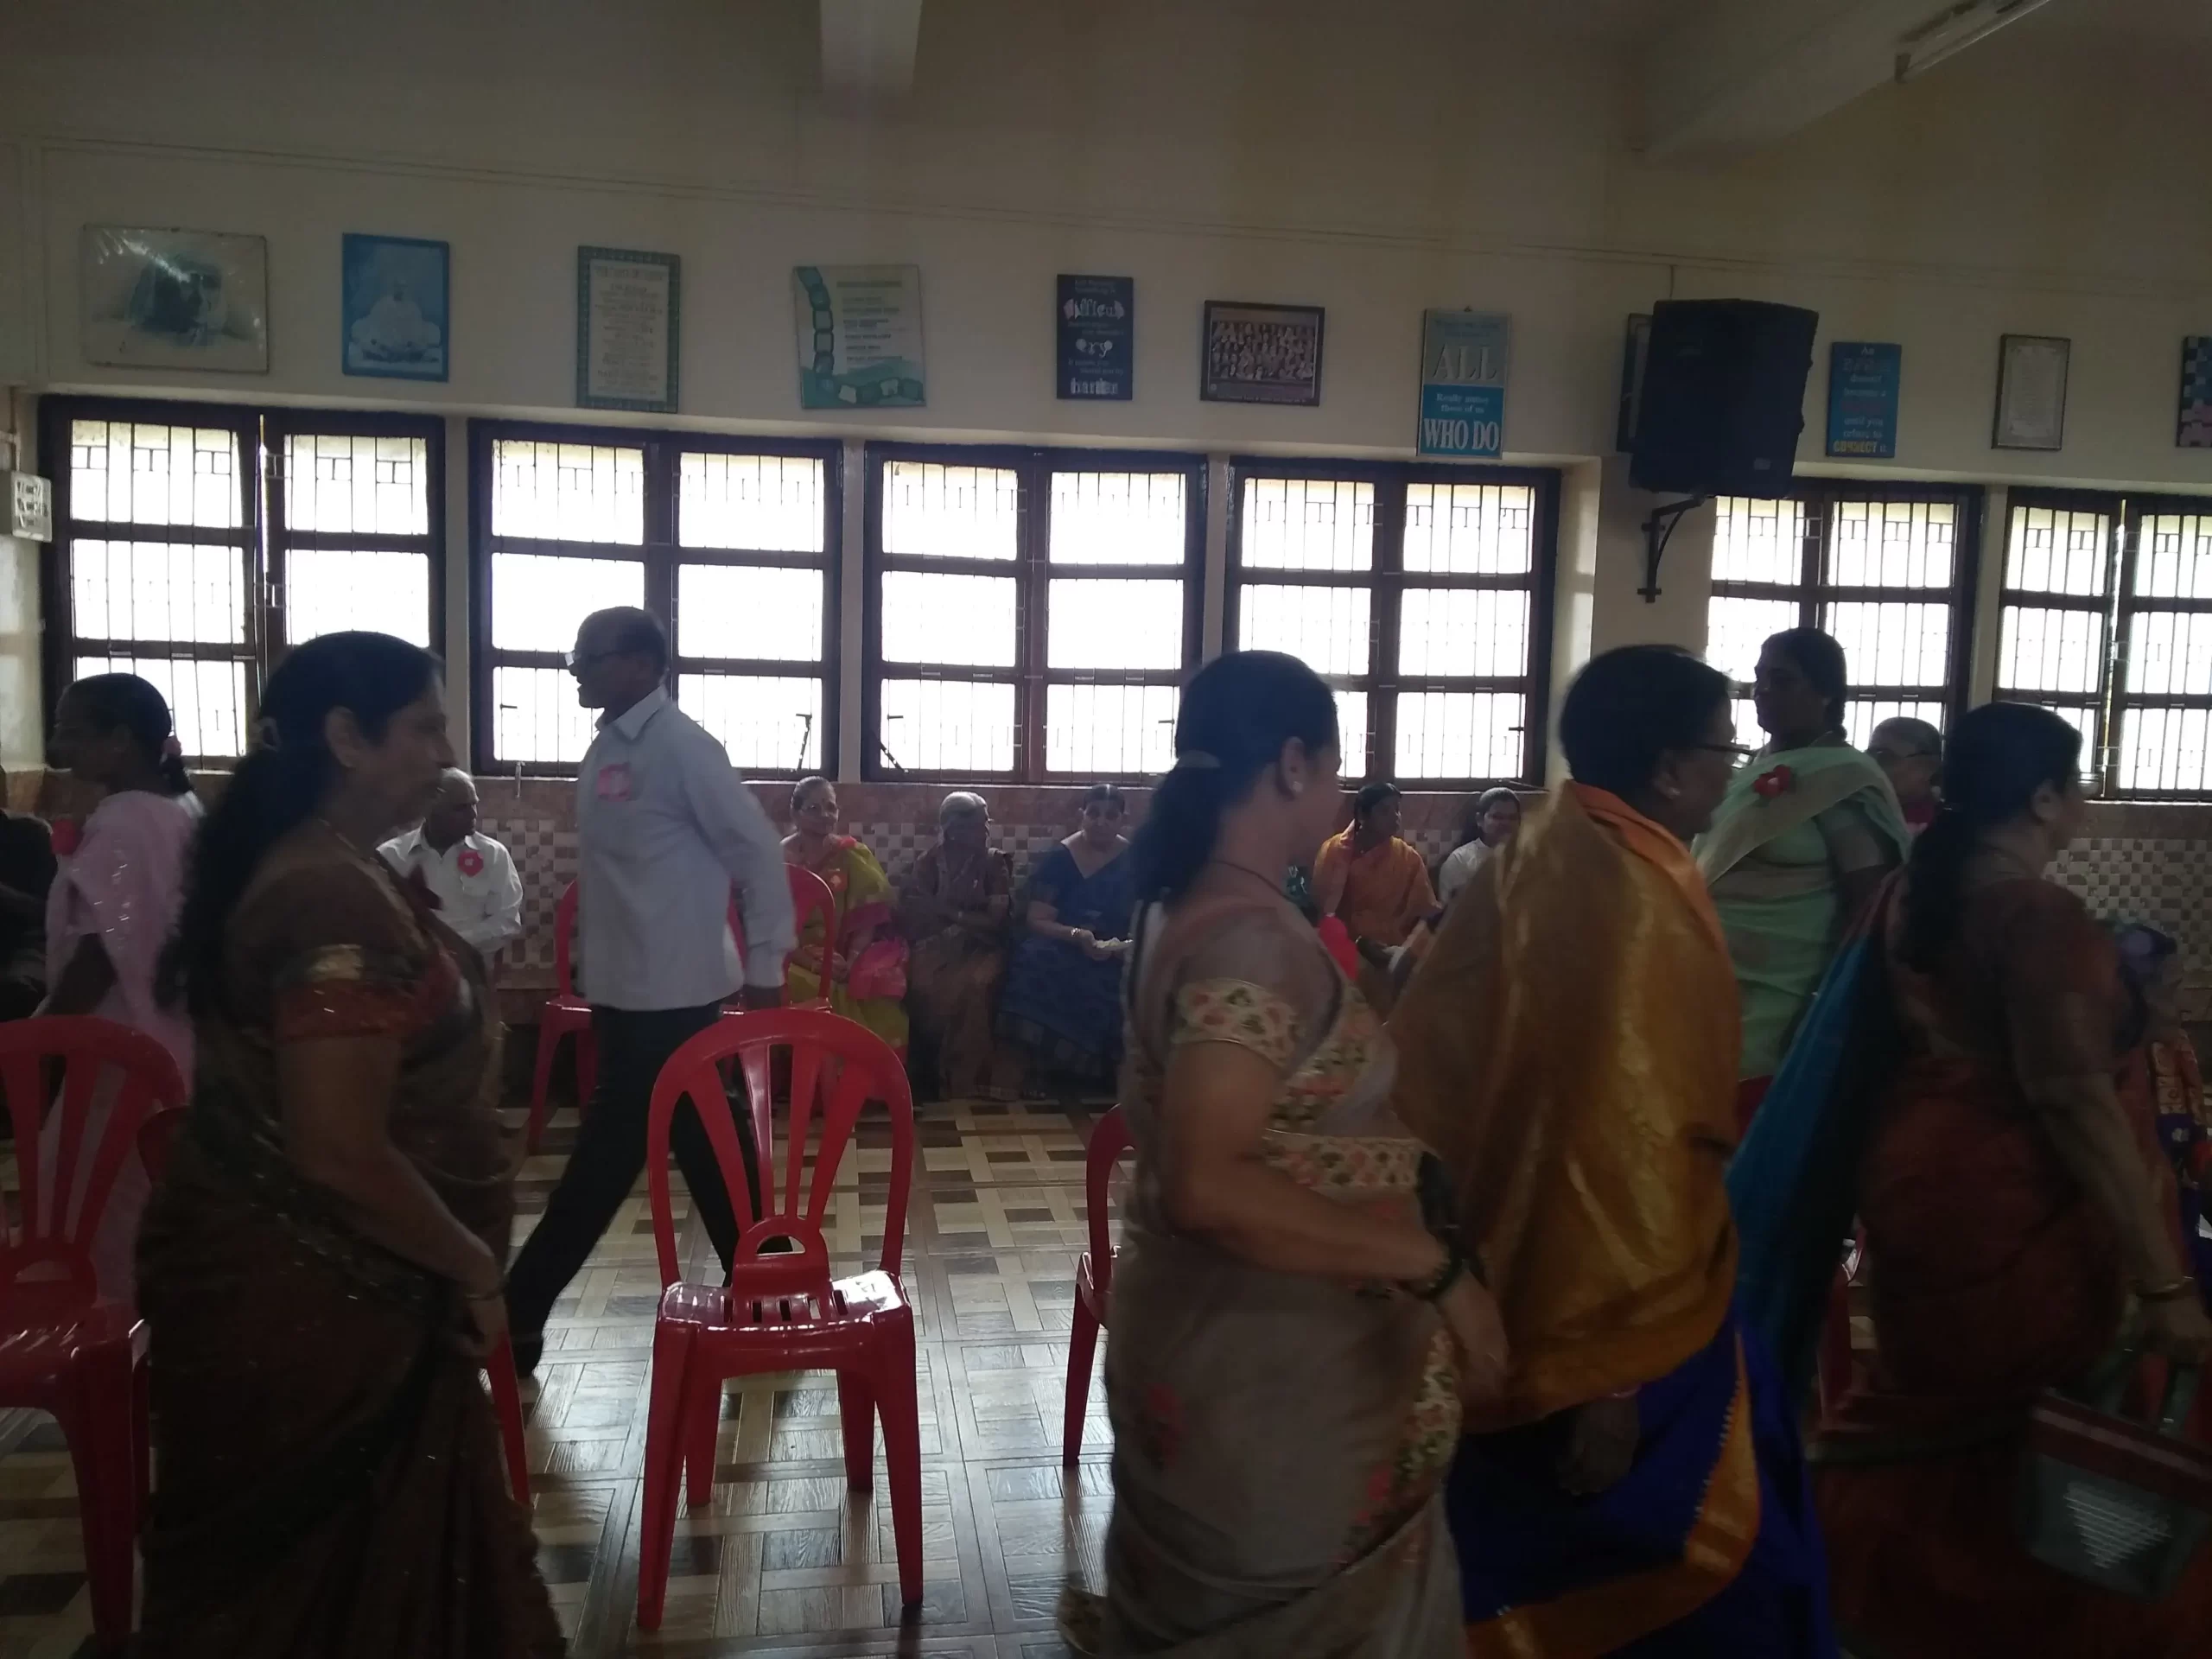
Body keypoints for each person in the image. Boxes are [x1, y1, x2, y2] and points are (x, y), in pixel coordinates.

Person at [1393, 644, 1836, 1656]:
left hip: (1498, 1274)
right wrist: (1612, 1380)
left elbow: (1431, 1067)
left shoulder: (1544, 846)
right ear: (1670, 769)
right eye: (1724, 749)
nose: (1733, 769)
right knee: (1695, 1576)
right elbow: (1615, 1152)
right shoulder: (1631, 897)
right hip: (1612, 1320)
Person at [135, 632, 561, 1656]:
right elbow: (336, 1149)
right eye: (424, 728)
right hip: (315, 1306)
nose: (445, 752)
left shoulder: (333, 864)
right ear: (346, 738)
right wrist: (472, 1267)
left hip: (346, 1295)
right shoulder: (325, 892)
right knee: (321, 1602)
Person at [1086, 650, 1509, 1656]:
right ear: (1289, 763)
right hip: (1268, 1375)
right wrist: (1433, 1266)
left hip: (1205, 1339)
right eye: (1332, 769)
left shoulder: (1174, 899)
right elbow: (1207, 1182)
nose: (1335, 793)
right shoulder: (1250, 943)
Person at [1809, 703, 2212, 1659]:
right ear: (2041, 799)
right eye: (2076, 788)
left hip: (1919, 1186)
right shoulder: (2036, 914)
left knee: (1947, 1421)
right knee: (2039, 1427)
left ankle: (1904, 1620)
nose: (2082, 807)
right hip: (2018, 1206)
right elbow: (2070, 1096)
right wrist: (2163, 1284)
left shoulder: (1911, 895)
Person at [505, 607, 793, 1376]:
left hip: (672, 998)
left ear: (639, 663)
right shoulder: (608, 746)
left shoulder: (681, 748)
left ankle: (517, 1313)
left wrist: (767, 967)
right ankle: (771, 1291)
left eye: (588, 656)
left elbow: (758, 853)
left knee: (604, 1159)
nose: (574, 668)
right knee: (707, 1145)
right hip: (626, 993)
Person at [1700, 629, 1908, 1129]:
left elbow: (1869, 908)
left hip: (1788, 1006)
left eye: (1782, 680)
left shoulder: (1842, 778)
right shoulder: (1746, 771)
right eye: (1759, 679)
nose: (1763, 691)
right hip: (1708, 990)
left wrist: (1828, 1011)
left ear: (1826, 694)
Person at [39, 673, 200, 1302]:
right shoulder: (180, 808)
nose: (59, 745)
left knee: (89, 1206)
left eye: (72, 732)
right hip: (174, 1044)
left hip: (116, 1055)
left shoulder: (125, 821)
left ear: (120, 740)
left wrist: (41, 1037)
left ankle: (102, 1339)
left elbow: (101, 953)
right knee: (146, 1208)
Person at [998, 783, 1136, 1095]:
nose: (1101, 822)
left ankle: (1100, 1076)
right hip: (1063, 940)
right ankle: (1040, 1069)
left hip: (1114, 949)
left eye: (1110, 816)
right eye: (1094, 813)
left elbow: (1142, 915)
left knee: (1122, 978)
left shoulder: (1134, 861)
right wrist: (1077, 936)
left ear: (1122, 820)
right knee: (1034, 960)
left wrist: (1125, 945)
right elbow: (1037, 919)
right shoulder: (1061, 858)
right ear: (1081, 815)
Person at [2113, 924, 2212, 1301]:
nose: (2185, 1002)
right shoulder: (2112, 1074)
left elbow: (2193, 1163)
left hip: (2188, 1226)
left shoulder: (2175, 1047)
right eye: (2171, 989)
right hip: (2143, 1273)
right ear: (2131, 995)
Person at [899, 791, 1014, 1101]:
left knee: (975, 985)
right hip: (937, 944)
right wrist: (955, 923)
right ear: (953, 830)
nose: (986, 830)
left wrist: (950, 913)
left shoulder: (994, 864)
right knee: (922, 983)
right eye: (977, 825)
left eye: (987, 822)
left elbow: (995, 923)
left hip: (985, 947)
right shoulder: (928, 864)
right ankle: (928, 1072)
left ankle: (965, 1077)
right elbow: (917, 914)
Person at [779, 775, 907, 1051]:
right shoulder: (778, 859)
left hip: (839, 954)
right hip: (789, 954)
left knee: (878, 996)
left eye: (831, 807)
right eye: (814, 808)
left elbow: (867, 917)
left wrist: (851, 962)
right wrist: (812, 962)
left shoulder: (851, 855)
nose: (825, 815)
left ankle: (860, 1073)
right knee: (795, 986)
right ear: (795, 813)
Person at [378, 767, 524, 965]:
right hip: (408, 969)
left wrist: (451, 946)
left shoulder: (494, 855)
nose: (473, 814)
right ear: (429, 809)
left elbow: (507, 922)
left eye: (474, 804)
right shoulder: (390, 857)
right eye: (460, 808)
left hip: (471, 966)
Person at [1313, 781, 1438, 957]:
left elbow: (1426, 910)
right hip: (1342, 946)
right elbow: (1322, 908)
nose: (1395, 816)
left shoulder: (1408, 858)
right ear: (1362, 815)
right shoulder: (1333, 851)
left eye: (1397, 809)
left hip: (1389, 949)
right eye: (1384, 811)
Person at [0, 766, 56, 1023]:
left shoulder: (29, 834)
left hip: (25, 944)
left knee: (17, 989)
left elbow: (51, 912)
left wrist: (5, 895)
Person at [1435, 787, 1522, 905]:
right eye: (1497, 817)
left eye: (1512, 818)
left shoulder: (1529, 857)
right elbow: (1452, 909)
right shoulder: (1460, 860)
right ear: (1480, 820)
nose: (1506, 823)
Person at [1867, 715, 1944, 835]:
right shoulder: (1859, 812)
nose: (1873, 764)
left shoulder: (1947, 828)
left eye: (1885, 757)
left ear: (1929, 766)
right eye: (1870, 755)